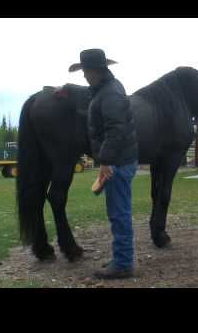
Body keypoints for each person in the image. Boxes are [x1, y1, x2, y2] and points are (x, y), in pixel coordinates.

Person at [69, 49, 138, 279]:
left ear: (95, 70)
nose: (84, 76)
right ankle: (121, 259)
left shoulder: (110, 94)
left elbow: (115, 130)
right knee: (117, 211)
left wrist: (106, 161)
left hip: (118, 162)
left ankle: (124, 264)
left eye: (86, 71)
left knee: (119, 213)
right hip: (118, 160)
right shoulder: (105, 90)